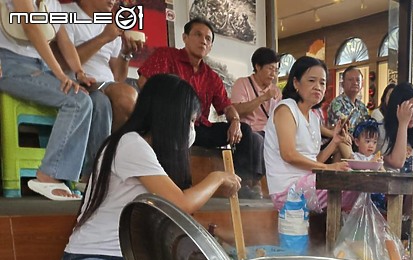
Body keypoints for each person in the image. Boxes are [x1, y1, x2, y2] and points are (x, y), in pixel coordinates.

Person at [54, 74, 241, 260]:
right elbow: (182, 203)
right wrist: (218, 177)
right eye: (190, 121)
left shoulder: (149, 153)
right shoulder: (130, 143)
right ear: (171, 116)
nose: (191, 130)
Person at [137, 17, 261, 197]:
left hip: (198, 128)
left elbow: (226, 106)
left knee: (247, 132)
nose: (203, 40)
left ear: (210, 47)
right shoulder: (166, 55)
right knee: (176, 132)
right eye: (197, 34)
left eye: (208, 38)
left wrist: (235, 120)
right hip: (168, 123)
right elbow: (143, 82)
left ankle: (241, 185)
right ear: (185, 37)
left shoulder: (211, 76)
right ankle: (180, 188)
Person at [0, 0, 94, 200]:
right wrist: (60, 75)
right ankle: (48, 175)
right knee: (77, 102)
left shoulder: (53, 4)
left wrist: (78, 72)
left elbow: (65, 41)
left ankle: (67, 178)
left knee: (84, 100)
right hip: (9, 64)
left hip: (39, 67)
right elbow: (31, 26)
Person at [61, 0, 143, 176]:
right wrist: (104, 37)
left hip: (106, 87)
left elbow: (118, 78)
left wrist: (126, 53)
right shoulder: (66, 13)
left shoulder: (109, 22)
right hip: (78, 82)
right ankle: (106, 171)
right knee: (127, 95)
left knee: (107, 101)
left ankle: (102, 170)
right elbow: (64, 64)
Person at [263, 56, 350, 213]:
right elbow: (288, 154)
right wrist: (328, 168)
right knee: (353, 185)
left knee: (357, 184)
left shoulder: (314, 117)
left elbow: (313, 161)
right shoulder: (286, 109)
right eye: (311, 81)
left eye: (322, 83)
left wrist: (335, 141)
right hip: (288, 192)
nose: (318, 87)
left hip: (309, 183)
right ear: (296, 83)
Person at [230, 47, 282, 181]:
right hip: (246, 132)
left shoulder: (276, 91)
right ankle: (253, 182)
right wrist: (263, 98)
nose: (273, 74)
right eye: (270, 68)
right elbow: (237, 110)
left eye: (276, 70)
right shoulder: (242, 83)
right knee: (256, 139)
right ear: (258, 67)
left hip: (267, 132)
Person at [327, 66, 369, 159]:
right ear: (343, 84)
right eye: (350, 80)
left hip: (360, 145)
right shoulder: (337, 103)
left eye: (358, 80)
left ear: (362, 84)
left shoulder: (362, 107)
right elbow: (340, 130)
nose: (355, 83)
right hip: (342, 145)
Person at [381, 82, 413, 172]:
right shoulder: (381, 130)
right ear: (397, 107)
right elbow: (397, 162)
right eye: (410, 108)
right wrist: (403, 123)